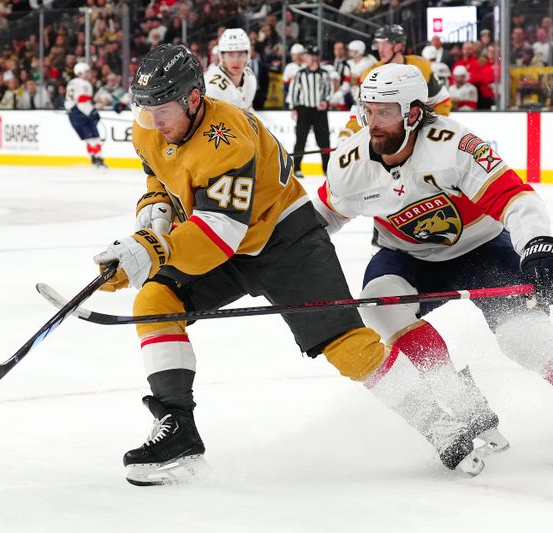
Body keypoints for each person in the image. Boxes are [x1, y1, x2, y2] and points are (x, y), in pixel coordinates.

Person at [93, 44, 504, 485]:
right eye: (146, 108)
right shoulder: (149, 126)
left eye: (165, 109)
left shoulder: (228, 139)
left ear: (194, 98)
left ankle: (441, 426)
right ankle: (179, 437)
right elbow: (158, 172)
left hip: (285, 240)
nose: (155, 121)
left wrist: (154, 249)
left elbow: (217, 240)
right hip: (221, 236)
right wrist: (155, 210)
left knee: (348, 347)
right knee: (155, 300)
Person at [313, 63, 553, 466]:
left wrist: (537, 243)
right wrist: (278, 256)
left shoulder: (455, 145)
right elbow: (322, 217)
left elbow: (515, 199)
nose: (372, 123)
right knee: (378, 302)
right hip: (407, 257)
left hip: (483, 249)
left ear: (414, 113)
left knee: (525, 338)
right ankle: (459, 401)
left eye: (386, 112)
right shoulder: (350, 162)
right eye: (368, 110)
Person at [339, 24, 451, 140]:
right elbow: (360, 109)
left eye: (385, 44)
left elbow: (442, 100)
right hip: (387, 135)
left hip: (415, 133)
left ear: (398, 45)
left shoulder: (420, 67)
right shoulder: (371, 74)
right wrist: (349, 132)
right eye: (379, 44)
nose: (380, 50)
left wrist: (432, 129)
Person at [287, 43, 335, 177]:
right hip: (304, 110)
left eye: (307, 55)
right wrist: (294, 108)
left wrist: (325, 102)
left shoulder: (324, 74)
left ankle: (327, 169)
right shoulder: (300, 74)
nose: (305, 58)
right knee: (300, 139)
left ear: (314, 57)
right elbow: (294, 91)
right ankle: (296, 168)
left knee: (324, 141)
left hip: (320, 111)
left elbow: (329, 90)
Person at [203, 28, 257, 111]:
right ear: (222, 56)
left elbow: (248, 110)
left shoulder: (250, 76)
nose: (236, 61)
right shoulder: (211, 87)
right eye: (230, 55)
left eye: (240, 54)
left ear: (248, 55)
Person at [65, 62, 106, 168]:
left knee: (88, 138)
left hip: (72, 113)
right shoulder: (84, 83)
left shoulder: (71, 83)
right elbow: (81, 99)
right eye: (87, 71)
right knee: (94, 136)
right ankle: (98, 158)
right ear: (80, 72)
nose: (89, 74)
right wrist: (91, 111)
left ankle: (92, 157)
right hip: (81, 112)